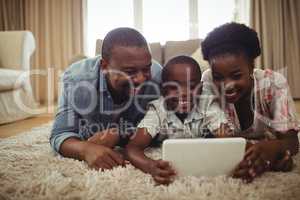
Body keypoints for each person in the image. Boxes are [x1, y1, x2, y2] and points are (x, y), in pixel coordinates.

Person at [50, 27, 162, 170]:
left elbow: (163, 127)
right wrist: (86, 149)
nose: (141, 79)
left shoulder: (158, 77)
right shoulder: (76, 81)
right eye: (130, 71)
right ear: (104, 66)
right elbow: (60, 134)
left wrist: (120, 134)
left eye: (146, 69)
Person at [201, 22, 300, 182]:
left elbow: (291, 141)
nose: (227, 86)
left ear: (251, 67)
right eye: (218, 77)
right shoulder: (208, 80)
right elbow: (219, 137)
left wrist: (274, 149)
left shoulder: (274, 83)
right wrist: (255, 153)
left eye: (236, 75)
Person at [125, 55, 230, 185]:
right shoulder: (158, 109)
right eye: (174, 87)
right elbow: (133, 147)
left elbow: (228, 139)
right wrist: (150, 165)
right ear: (163, 90)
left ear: (201, 88)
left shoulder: (207, 103)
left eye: (192, 87)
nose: (184, 93)